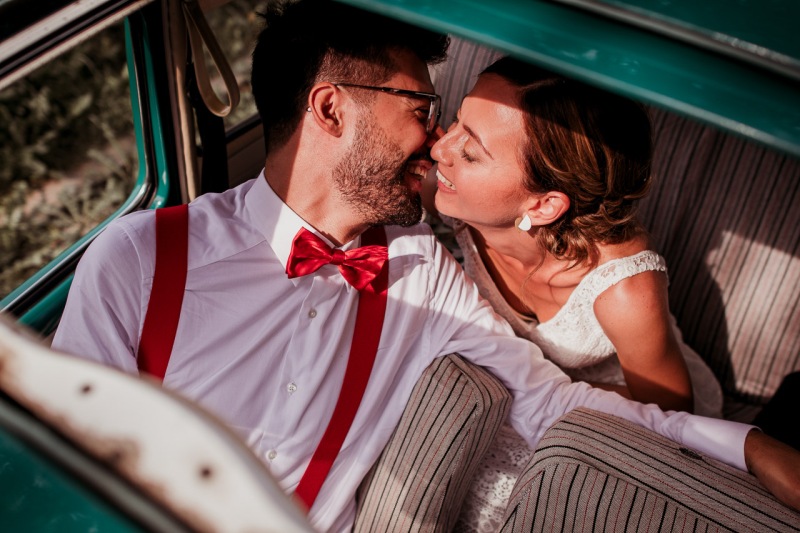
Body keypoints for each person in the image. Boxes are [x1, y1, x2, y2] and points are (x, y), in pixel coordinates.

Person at [51, 1, 800, 531]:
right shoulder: (139, 258)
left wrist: (748, 442)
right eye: (421, 104)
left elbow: (554, 402)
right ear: (332, 108)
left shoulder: (424, 270)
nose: (436, 136)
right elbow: (63, 469)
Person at [424, 55, 727, 531]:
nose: (442, 148)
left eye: (471, 152)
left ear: (543, 204)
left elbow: (669, 411)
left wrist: (537, 390)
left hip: (621, 405)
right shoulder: (445, 189)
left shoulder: (625, 287)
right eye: (459, 121)